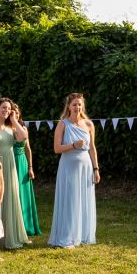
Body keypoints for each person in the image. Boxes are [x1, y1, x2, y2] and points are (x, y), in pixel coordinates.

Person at [48, 92, 98, 248]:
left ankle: (82, 234)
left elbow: (92, 148)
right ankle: (68, 236)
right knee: (70, 200)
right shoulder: (63, 124)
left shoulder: (89, 124)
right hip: (68, 167)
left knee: (84, 199)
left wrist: (96, 168)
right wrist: (73, 145)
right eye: (74, 104)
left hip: (86, 167)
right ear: (69, 106)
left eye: (79, 104)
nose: (77, 107)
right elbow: (57, 148)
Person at [0, 97, 28, 250]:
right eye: (3, 107)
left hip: (10, 165)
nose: (6, 110)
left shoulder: (11, 128)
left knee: (10, 196)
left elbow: (23, 137)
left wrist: (14, 119)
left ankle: (9, 234)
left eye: (9, 108)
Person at [10, 102, 41, 236]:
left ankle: (26, 225)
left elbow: (28, 149)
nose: (15, 115)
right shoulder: (6, 128)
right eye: (13, 113)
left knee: (23, 193)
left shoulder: (23, 128)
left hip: (22, 162)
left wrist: (30, 167)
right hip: (10, 161)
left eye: (17, 113)